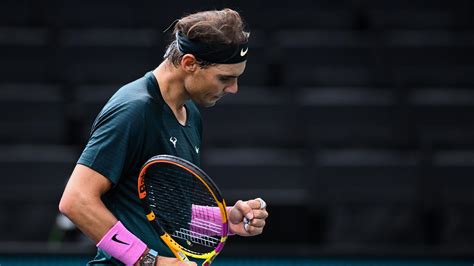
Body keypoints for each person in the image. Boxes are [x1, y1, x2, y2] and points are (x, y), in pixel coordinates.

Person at [59, 8, 269, 266]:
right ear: (189, 63)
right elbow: (76, 201)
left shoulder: (190, 113)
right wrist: (150, 262)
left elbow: (164, 210)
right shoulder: (133, 110)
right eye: (225, 78)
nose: (233, 89)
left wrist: (226, 218)